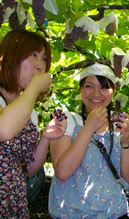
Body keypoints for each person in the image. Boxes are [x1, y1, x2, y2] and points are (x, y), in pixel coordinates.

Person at [48, 63, 129, 218]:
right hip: (73, 214)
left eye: (104, 87)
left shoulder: (122, 125)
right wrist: (89, 128)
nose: (97, 93)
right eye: (89, 86)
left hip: (116, 213)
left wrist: (126, 141)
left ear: (113, 91)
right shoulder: (66, 120)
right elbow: (62, 172)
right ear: (80, 89)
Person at [0, 30, 67, 217]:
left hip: (15, 204)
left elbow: (29, 169)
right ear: (11, 55)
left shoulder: (29, 112)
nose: (40, 65)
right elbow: (4, 129)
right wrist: (35, 86)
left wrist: (45, 138)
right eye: (33, 55)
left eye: (44, 59)